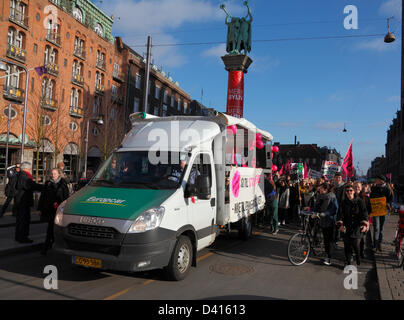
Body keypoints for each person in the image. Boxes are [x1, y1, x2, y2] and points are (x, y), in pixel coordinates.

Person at [38, 168, 69, 255]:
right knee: (50, 228)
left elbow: (66, 197)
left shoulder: (63, 184)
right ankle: (48, 246)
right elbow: (42, 197)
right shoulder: (48, 183)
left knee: (53, 229)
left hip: (59, 210)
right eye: (52, 174)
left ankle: (47, 247)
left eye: (55, 174)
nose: (53, 175)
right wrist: (40, 209)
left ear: (59, 174)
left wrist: (61, 205)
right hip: (49, 209)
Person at [337, 184, 369, 266]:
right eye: (347, 191)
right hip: (346, 226)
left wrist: (365, 224)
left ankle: (358, 256)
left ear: (354, 191)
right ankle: (348, 261)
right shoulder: (343, 202)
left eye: (351, 190)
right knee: (347, 245)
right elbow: (340, 214)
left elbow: (364, 213)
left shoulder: (360, 201)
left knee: (355, 245)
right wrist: (340, 224)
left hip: (357, 226)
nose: (349, 192)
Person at [13, 162, 42, 243]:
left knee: (19, 220)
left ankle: (18, 236)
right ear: (28, 168)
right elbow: (32, 186)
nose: (31, 169)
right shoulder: (25, 176)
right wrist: (45, 187)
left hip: (19, 201)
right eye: (30, 168)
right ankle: (23, 238)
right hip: (23, 201)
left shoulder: (19, 174)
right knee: (24, 220)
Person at [314, 183, 338, 266]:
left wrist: (326, 213)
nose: (319, 190)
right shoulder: (319, 196)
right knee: (325, 239)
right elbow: (316, 206)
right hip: (322, 220)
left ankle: (328, 257)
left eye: (320, 189)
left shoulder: (332, 196)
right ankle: (326, 252)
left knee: (329, 240)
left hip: (330, 221)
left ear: (325, 189)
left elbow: (334, 209)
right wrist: (310, 210)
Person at [370, 175, 393, 252]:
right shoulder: (374, 188)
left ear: (381, 180)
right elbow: (371, 198)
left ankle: (379, 243)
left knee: (382, 228)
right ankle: (374, 245)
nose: (375, 180)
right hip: (376, 211)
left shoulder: (387, 189)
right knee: (376, 228)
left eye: (376, 179)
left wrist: (388, 204)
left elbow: (390, 200)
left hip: (384, 211)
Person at [354, 181, 372, 259]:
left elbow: (369, 209)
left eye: (358, 187)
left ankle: (361, 252)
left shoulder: (366, 198)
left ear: (361, 188)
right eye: (355, 187)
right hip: (352, 220)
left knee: (361, 238)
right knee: (353, 238)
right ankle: (354, 253)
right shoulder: (349, 195)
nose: (356, 188)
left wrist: (366, 219)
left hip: (362, 221)